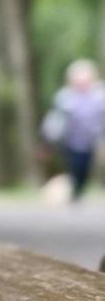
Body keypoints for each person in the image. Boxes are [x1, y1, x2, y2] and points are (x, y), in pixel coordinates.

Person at [50, 60, 105, 203]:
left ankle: (79, 189)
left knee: (85, 166)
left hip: (91, 139)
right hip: (70, 139)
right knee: (75, 165)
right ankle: (75, 190)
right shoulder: (65, 96)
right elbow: (56, 118)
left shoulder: (99, 96)